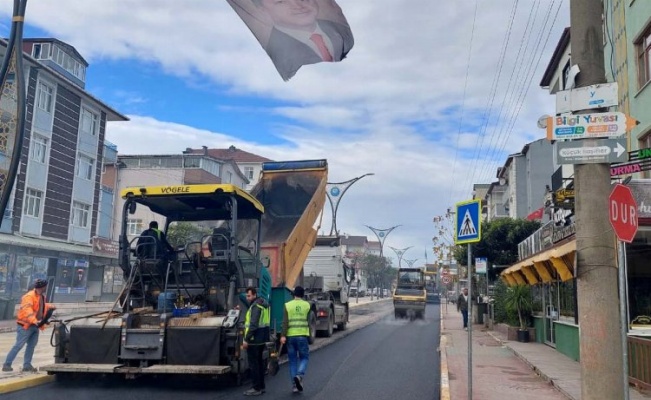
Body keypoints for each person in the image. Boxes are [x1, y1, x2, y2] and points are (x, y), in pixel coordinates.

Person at [251, 0, 354, 81]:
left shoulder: (340, 30)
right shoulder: (273, 55)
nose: (298, 5)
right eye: (281, 1)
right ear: (262, 11)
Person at [2, 279, 55, 372]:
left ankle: (27, 365)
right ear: (42, 287)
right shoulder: (29, 296)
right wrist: (35, 321)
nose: (46, 288)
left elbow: (41, 307)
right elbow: (27, 310)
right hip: (25, 326)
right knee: (18, 345)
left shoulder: (41, 297)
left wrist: (49, 309)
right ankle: (7, 364)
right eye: (45, 286)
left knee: (31, 346)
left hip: (35, 325)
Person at [280, 285, 311, 393]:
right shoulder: (307, 305)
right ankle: (299, 375)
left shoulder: (287, 305)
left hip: (290, 337)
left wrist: (283, 336)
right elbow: (308, 321)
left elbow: (285, 322)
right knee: (304, 358)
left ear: (293, 294)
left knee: (292, 361)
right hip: (302, 336)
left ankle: (294, 386)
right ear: (302, 294)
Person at [242, 287, 270, 396]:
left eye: (249, 296)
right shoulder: (262, 304)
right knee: (259, 364)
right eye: (246, 296)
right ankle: (261, 386)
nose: (247, 298)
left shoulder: (256, 307)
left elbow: (253, 325)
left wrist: (246, 339)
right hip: (261, 339)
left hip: (254, 340)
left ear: (254, 295)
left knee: (254, 365)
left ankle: (256, 388)